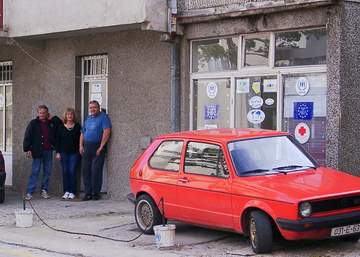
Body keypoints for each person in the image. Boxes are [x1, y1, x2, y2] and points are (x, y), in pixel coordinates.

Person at [23, 105, 62, 200]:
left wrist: (53, 117)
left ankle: (44, 190)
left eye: (44, 113)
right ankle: (29, 192)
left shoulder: (51, 123)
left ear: (47, 113)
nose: (42, 114)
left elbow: (61, 123)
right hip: (37, 151)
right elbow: (27, 136)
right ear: (38, 113)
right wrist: (27, 149)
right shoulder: (33, 123)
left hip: (48, 151)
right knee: (35, 171)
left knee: (47, 171)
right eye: (40, 113)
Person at [80, 100, 111, 201]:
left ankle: (95, 193)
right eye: (91, 108)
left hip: (97, 147)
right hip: (87, 147)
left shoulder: (103, 117)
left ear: (99, 108)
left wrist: (101, 147)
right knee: (86, 171)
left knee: (95, 171)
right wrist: (81, 145)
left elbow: (107, 132)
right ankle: (87, 193)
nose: (92, 109)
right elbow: (82, 133)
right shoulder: (88, 118)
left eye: (94, 107)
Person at [55, 108, 81, 200]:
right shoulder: (61, 127)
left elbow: (80, 139)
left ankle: (73, 192)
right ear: (65, 116)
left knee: (72, 171)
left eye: (71, 114)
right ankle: (66, 191)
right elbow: (57, 141)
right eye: (68, 114)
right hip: (63, 153)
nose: (69, 116)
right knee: (65, 172)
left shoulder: (77, 126)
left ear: (73, 116)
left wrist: (80, 149)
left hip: (74, 153)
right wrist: (58, 152)